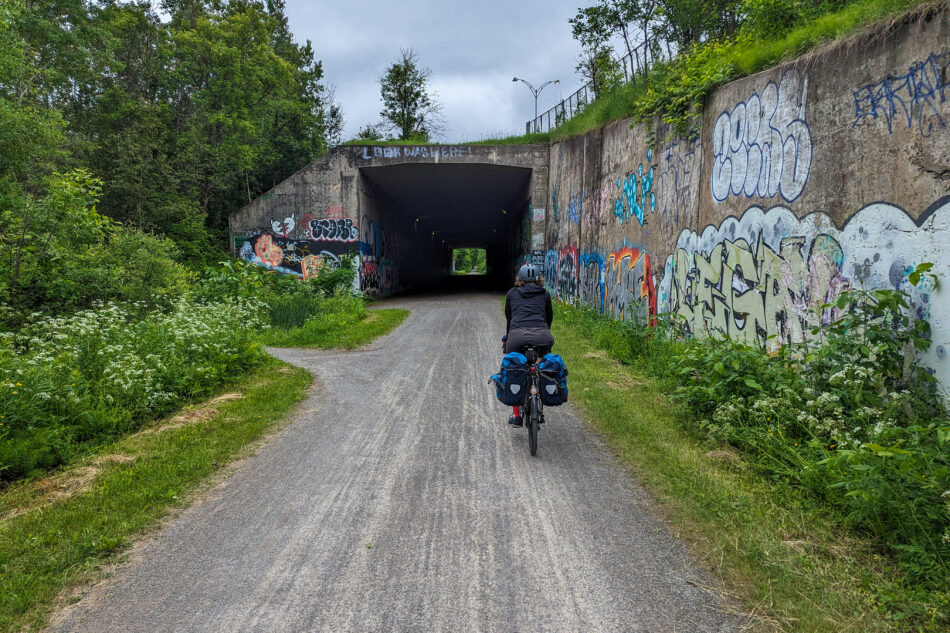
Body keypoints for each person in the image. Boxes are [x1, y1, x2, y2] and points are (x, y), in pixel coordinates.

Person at [502, 263, 554, 427]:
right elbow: (549, 317)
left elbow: (510, 320)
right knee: (541, 362)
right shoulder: (544, 294)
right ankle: (540, 385)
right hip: (542, 336)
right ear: (538, 278)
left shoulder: (512, 294)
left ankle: (516, 416)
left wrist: (507, 338)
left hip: (516, 337)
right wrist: (544, 333)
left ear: (520, 278)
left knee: (514, 368)